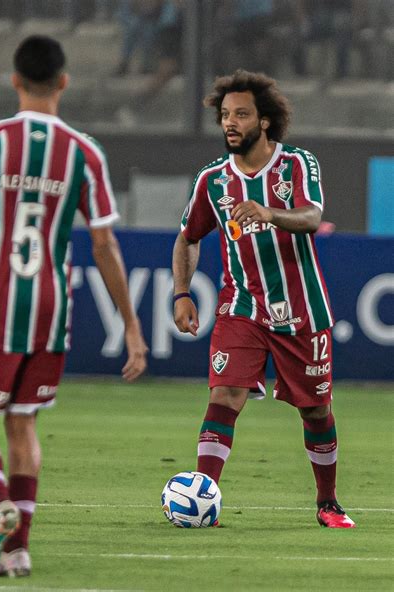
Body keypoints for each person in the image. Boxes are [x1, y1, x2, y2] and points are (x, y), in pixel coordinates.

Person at [0, 35, 148, 577]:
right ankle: (18, 550)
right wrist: (130, 326)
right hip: (52, 309)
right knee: (23, 423)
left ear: (14, 79)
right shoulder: (85, 152)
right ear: (63, 81)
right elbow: (104, 245)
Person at [172, 69, 355, 529]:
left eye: (241, 114)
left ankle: (328, 502)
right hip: (242, 307)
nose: (230, 123)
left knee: (316, 410)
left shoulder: (297, 165)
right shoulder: (212, 180)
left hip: (301, 310)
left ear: (265, 121)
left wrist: (268, 212)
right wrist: (181, 293)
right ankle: (202, 496)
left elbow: (312, 217)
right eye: (225, 115)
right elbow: (188, 238)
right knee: (226, 393)